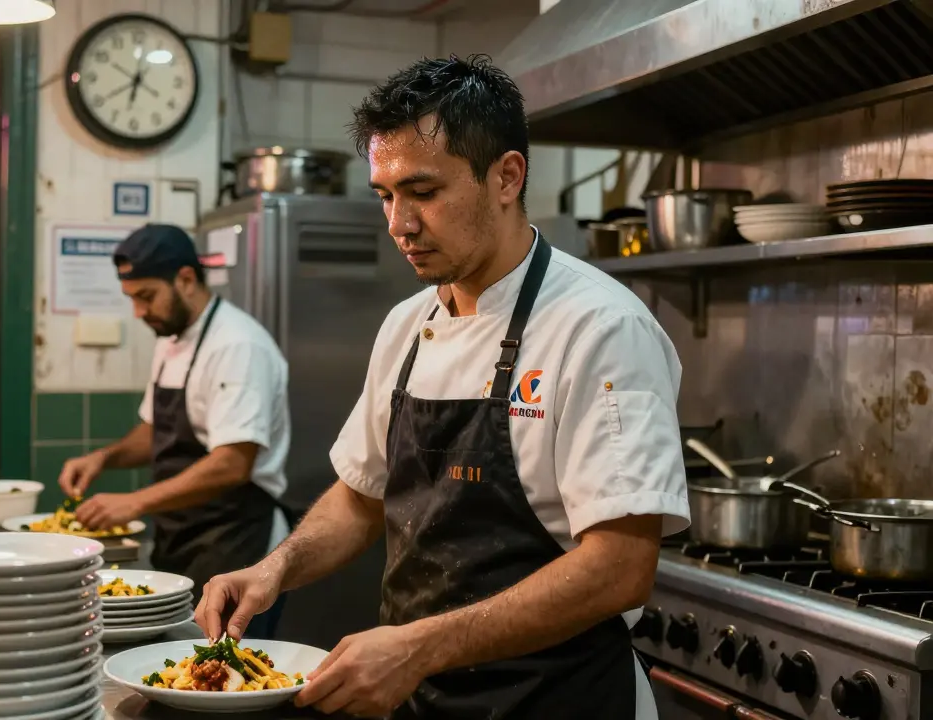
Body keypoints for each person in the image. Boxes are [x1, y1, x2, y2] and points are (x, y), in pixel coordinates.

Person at [195, 55, 690, 719]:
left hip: (554, 699)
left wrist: (419, 646)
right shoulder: (408, 323)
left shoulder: (600, 328)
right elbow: (361, 497)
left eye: (423, 191)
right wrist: (273, 569)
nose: (398, 223)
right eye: (385, 195)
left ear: (506, 177)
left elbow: (620, 567)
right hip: (423, 700)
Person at [57, 223, 291, 636]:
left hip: (237, 544)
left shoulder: (238, 345)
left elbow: (232, 464)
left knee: (230, 682)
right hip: (183, 541)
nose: (138, 312)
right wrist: (103, 458)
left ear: (185, 279)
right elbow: (156, 430)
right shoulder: (171, 339)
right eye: (131, 299)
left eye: (146, 297)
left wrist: (134, 503)